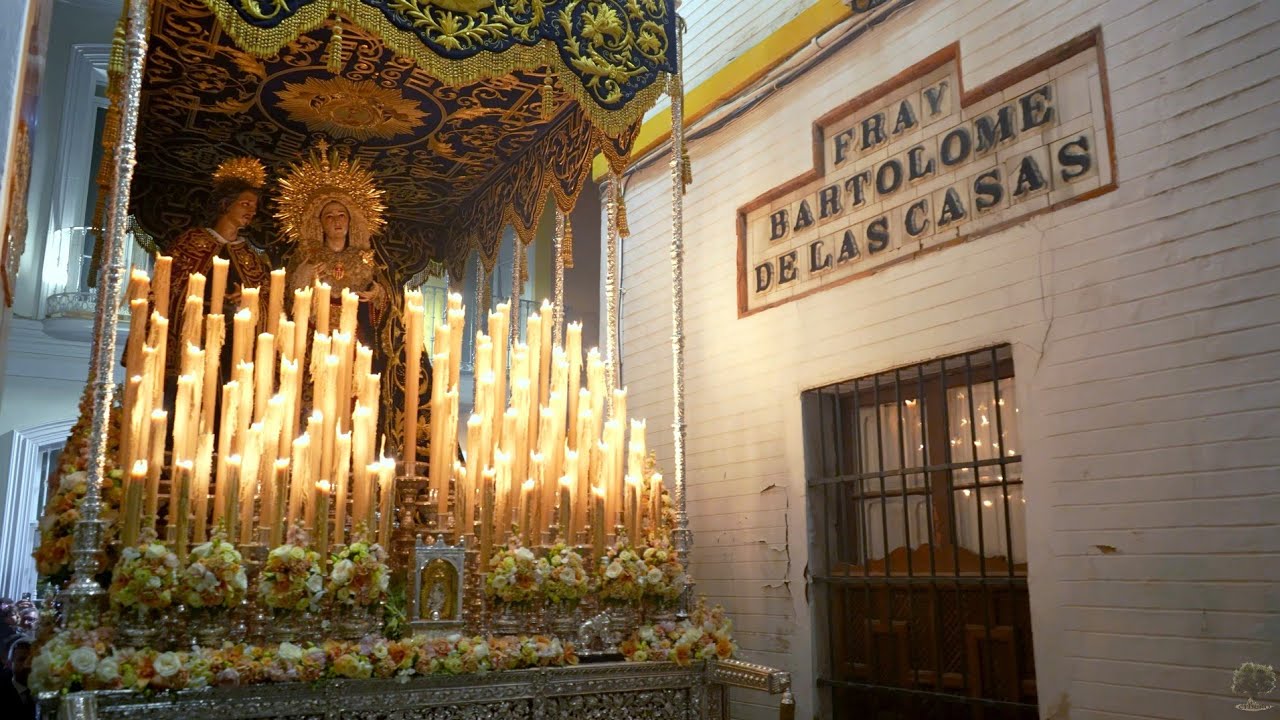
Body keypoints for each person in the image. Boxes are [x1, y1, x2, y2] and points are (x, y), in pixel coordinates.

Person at [276, 142, 390, 345]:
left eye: (341, 215)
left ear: (350, 220)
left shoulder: (364, 257)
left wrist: (376, 294)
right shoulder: (306, 256)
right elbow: (287, 298)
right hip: (312, 336)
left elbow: (386, 295)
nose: (336, 220)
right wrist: (306, 275)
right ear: (319, 223)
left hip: (352, 337)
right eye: (329, 216)